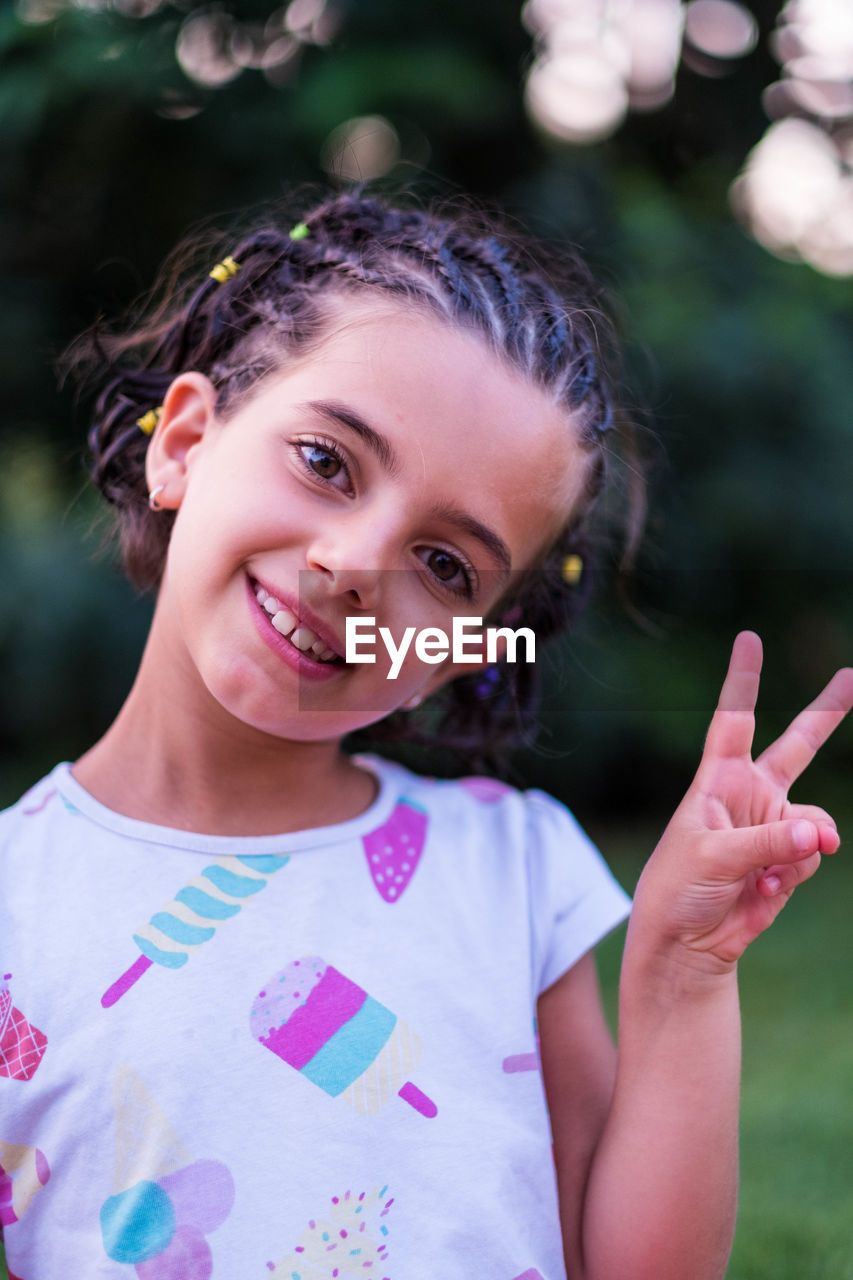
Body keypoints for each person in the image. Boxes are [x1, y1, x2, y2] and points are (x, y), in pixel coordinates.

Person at [0, 191, 850, 1280]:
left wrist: (681, 980)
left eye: (444, 567)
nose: (355, 563)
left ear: (461, 651)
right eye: (325, 460)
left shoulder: (513, 872)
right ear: (184, 440)